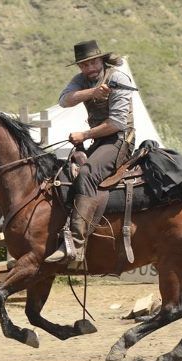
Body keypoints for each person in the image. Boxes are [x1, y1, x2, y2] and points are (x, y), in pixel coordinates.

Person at [45, 39, 135, 265]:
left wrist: (84, 136)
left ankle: (75, 244)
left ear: (101, 60)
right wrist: (93, 92)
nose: (90, 68)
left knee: (86, 173)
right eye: (84, 65)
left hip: (119, 139)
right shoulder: (81, 81)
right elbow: (64, 100)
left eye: (93, 62)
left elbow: (117, 123)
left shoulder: (118, 78)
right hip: (99, 139)